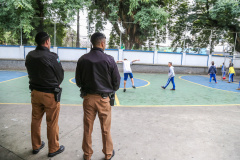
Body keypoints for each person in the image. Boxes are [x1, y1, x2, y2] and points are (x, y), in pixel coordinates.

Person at [75, 32, 120, 160]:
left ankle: (87, 154)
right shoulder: (109, 59)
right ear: (102, 43)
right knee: (105, 128)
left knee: (87, 128)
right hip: (104, 99)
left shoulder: (83, 59)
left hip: (88, 98)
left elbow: (78, 81)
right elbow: (116, 81)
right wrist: (110, 90)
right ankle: (108, 154)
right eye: (105, 42)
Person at [25, 32, 65, 157]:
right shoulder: (52, 56)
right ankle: (53, 148)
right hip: (50, 94)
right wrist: (55, 83)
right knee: (52, 122)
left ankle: (36, 146)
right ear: (47, 42)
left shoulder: (30, 55)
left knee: (35, 120)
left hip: (35, 93)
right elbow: (60, 74)